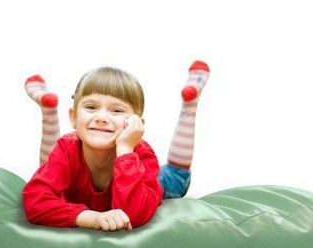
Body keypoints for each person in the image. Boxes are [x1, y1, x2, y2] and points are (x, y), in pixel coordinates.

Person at [22, 61, 210, 231]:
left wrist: (126, 150)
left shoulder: (142, 154)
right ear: (73, 117)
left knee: (175, 177)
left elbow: (133, 216)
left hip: (148, 182)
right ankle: (49, 112)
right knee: (47, 169)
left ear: (136, 123)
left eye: (117, 110)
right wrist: (91, 218)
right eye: (91, 107)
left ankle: (190, 105)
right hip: (72, 170)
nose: (101, 117)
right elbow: (35, 199)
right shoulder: (67, 148)